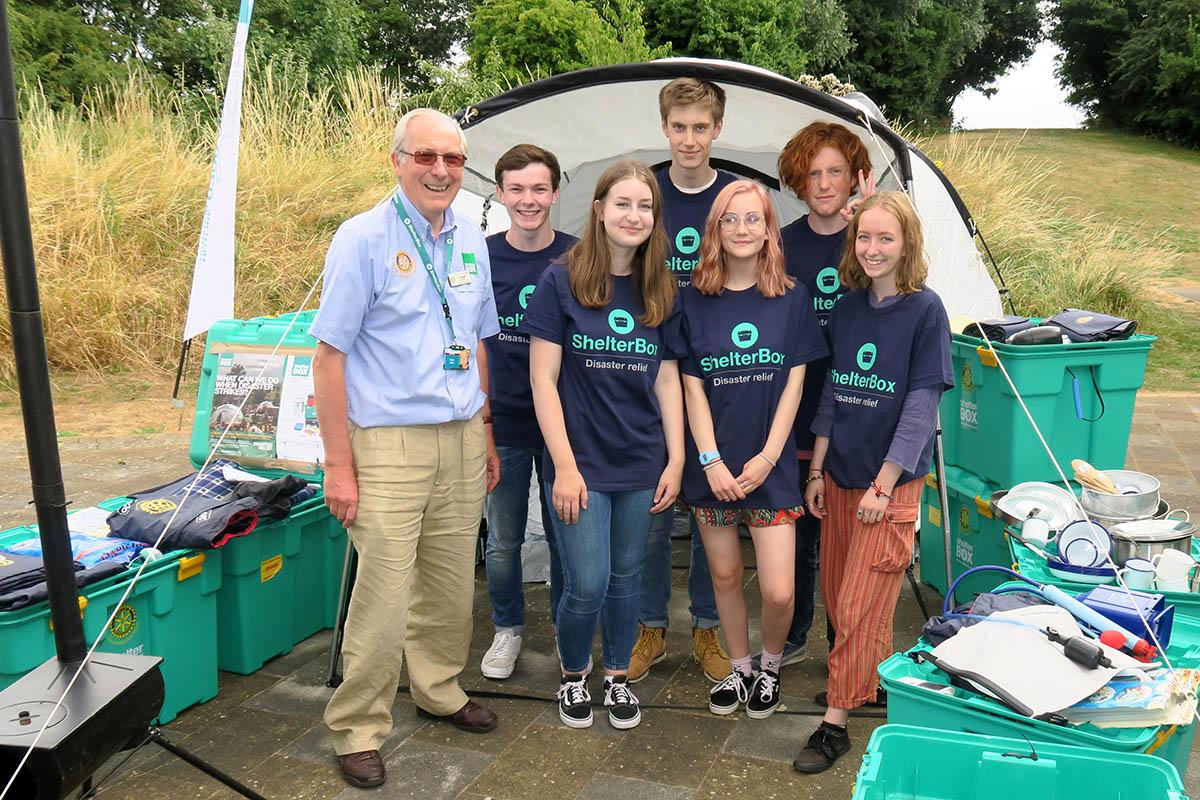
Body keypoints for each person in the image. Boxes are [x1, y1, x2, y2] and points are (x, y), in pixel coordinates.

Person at [311, 108, 502, 790]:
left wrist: (483, 428)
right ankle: (357, 725)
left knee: (451, 585)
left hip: (457, 435)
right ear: (397, 161)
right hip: (386, 442)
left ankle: (439, 688)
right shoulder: (362, 239)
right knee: (385, 593)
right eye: (426, 156)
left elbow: (477, 339)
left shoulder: (474, 239)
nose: (441, 170)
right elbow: (328, 358)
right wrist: (338, 463)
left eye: (452, 159)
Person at [793, 192, 953, 773]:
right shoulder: (851, 305)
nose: (874, 248)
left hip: (888, 488)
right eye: (864, 237)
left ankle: (835, 724)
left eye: (886, 237)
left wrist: (884, 486)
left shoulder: (925, 310)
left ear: (906, 243)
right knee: (842, 601)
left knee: (860, 606)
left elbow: (920, 405)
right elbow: (836, 390)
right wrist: (816, 469)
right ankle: (867, 683)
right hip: (839, 479)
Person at [523, 159, 685, 730]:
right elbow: (542, 379)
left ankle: (614, 677)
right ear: (599, 210)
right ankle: (573, 675)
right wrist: (564, 468)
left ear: (654, 218)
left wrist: (678, 456)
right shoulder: (560, 280)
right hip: (579, 464)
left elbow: (667, 377)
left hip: (642, 462)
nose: (633, 215)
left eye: (645, 206)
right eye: (623, 203)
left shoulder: (660, 287)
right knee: (586, 582)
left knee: (627, 579)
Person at [679, 180, 827, 718]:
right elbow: (691, 385)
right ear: (715, 229)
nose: (742, 229)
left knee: (781, 591)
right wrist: (710, 459)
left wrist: (768, 456)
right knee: (722, 576)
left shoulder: (791, 297)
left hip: (773, 467)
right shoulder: (693, 299)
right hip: (712, 469)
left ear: (769, 229)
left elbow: (795, 385)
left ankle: (769, 664)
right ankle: (739, 669)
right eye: (730, 219)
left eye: (753, 219)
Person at [631, 76, 737, 684]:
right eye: (680, 127)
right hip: (649, 372)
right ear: (665, 128)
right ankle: (650, 626)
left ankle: (705, 627)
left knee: (707, 511)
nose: (690, 138)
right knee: (653, 511)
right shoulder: (646, 191)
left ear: (717, 130)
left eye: (701, 127)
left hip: (720, 375)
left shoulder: (733, 198)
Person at [775, 122, 874, 667]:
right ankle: (794, 636)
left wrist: (873, 224)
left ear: (854, 175)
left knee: (846, 541)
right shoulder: (783, 243)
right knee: (802, 538)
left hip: (855, 411)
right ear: (797, 179)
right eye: (813, 173)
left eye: (835, 171)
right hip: (794, 410)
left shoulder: (869, 238)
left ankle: (847, 642)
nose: (824, 182)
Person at [480, 144, 578, 680]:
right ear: (499, 194)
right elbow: (468, 342)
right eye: (517, 189)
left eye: (539, 188)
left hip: (565, 427)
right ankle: (507, 630)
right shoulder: (480, 255)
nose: (529, 200)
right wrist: (483, 421)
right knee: (504, 539)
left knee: (567, 537)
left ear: (556, 193)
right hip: (506, 424)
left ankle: (569, 633)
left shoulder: (577, 256)